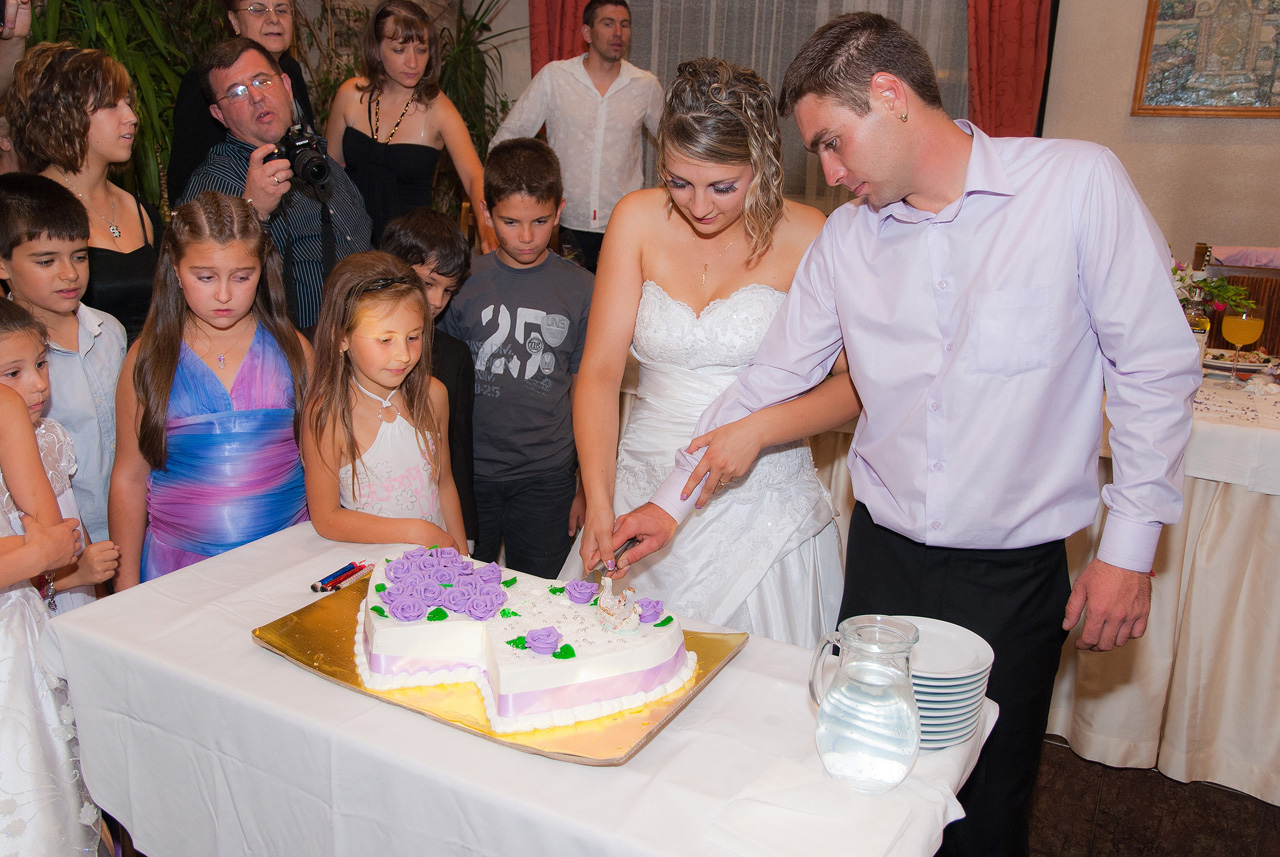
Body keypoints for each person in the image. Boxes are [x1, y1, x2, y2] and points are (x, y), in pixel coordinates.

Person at [616, 14, 1202, 857]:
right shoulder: (848, 239)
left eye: (832, 142)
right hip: (883, 560)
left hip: (1012, 571)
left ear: (889, 94)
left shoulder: (1075, 185)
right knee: (860, 783)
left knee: (987, 802)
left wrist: (1130, 547)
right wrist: (669, 503)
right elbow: (766, 381)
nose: (827, 171)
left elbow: (1153, 366)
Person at [565, 58, 846, 647]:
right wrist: (599, 497)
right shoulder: (635, 220)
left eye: (723, 186)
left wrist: (759, 431)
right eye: (678, 182)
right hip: (641, 482)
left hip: (763, 496)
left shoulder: (809, 234)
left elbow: (851, 386)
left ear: (762, 166)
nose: (699, 206)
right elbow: (599, 373)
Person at [110, 191, 312, 588]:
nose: (224, 295)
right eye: (205, 277)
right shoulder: (148, 357)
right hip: (177, 572)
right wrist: (125, 586)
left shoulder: (294, 350)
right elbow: (128, 479)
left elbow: (320, 464)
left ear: (263, 268)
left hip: (285, 565)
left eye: (242, 276)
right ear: (175, 269)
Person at [441, 138, 592, 578]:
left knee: (544, 594)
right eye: (510, 221)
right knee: (464, 589)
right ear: (486, 213)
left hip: (548, 477)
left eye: (540, 221)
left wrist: (587, 487)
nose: (526, 237)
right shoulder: (461, 284)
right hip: (471, 475)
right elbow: (442, 390)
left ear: (559, 211)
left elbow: (588, 393)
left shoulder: (583, 288)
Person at [179, 37, 372, 330]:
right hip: (288, 347)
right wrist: (252, 211)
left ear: (286, 86)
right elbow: (207, 289)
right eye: (237, 92)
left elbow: (363, 237)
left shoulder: (315, 156)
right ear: (219, 115)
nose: (256, 97)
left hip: (364, 333)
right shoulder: (214, 185)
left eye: (263, 81)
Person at [0, 174, 127, 576]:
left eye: (80, 256)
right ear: (3, 264)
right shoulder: (8, 364)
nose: (69, 273)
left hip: (128, 529)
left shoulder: (110, 332)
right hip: (60, 554)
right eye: (46, 261)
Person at [302, 251, 467, 550]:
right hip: (371, 567)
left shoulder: (434, 395)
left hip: (435, 564)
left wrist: (462, 558)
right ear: (341, 338)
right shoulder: (328, 413)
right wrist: (418, 532)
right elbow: (326, 518)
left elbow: (444, 485)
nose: (403, 355)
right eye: (385, 340)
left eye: (413, 337)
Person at [0, 383, 102, 857]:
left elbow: (60, 542)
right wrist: (28, 554)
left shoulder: (5, 406)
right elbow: (41, 548)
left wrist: (36, 553)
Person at [490, 0, 662, 272]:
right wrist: (514, 199)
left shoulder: (645, 85)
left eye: (624, 24)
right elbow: (507, 138)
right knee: (561, 297)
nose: (618, 32)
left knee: (615, 297)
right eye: (608, 23)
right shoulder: (555, 77)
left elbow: (675, 144)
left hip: (622, 222)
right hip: (562, 221)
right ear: (586, 32)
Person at [5, 42, 162, 341]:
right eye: (111, 105)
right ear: (64, 114)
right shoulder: (26, 210)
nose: (131, 117)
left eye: (128, 102)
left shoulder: (142, 211)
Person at [325, 0, 496, 252]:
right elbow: (329, 171)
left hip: (409, 251)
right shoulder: (350, 95)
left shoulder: (438, 109)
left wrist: (486, 224)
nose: (413, 63)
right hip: (349, 242)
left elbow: (473, 176)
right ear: (377, 48)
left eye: (421, 50)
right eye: (399, 50)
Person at [0, 299, 119, 612]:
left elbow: (73, 522)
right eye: (13, 373)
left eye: (41, 363)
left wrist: (96, 589)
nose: (39, 384)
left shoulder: (51, 435)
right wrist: (72, 578)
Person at [380, 206, 477, 547]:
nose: (436, 301)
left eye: (449, 290)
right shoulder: (348, 346)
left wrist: (467, 537)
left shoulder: (454, 356)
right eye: (427, 283)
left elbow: (457, 454)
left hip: (438, 525)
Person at [168, 0, 316, 203]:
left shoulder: (291, 70)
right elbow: (185, 185)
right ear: (234, 21)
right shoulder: (206, 83)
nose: (273, 19)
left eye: (281, 9)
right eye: (258, 10)